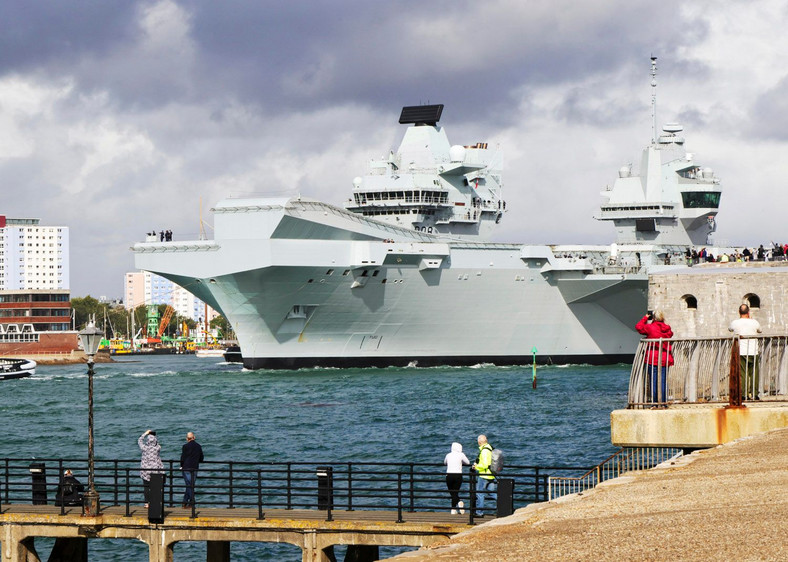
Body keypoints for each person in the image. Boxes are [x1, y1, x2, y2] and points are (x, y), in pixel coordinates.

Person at [635, 310, 674, 404]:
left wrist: (645, 318)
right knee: (663, 381)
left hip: (652, 358)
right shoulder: (667, 328)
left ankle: (656, 402)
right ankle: (664, 402)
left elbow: (638, 327)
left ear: (654, 317)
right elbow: (670, 334)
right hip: (665, 358)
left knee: (654, 381)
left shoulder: (650, 327)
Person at [729, 304, 763, 400]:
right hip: (753, 351)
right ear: (748, 312)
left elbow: (730, 329)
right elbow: (760, 330)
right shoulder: (754, 322)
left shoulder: (735, 323)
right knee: (754, 374)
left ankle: (743, 395)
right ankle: (755, 394)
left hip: (741, 352)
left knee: (742, 374)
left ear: (739, 312)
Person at [471, 435, 496, 517]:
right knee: (491, 493)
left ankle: (479, 513)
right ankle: (506, 504)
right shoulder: (490, 448)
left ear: (479, 442)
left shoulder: (484, 451)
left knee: (480, 493)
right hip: (491, 474)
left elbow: (485, 464)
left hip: (484, 475)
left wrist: (476, 467)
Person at [138, 429, 164, 508]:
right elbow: (158, 444)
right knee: (154, 488)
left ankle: (146, 503)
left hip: (145, 471)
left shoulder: (144, 448)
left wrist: (145, 433)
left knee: (146, 487)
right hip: (155, 470)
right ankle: (154, 502)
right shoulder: (157, 448)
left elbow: (139, 440)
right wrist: (154, 437)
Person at [444, 442, 470, 514]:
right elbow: (468, 462)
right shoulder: (461, 455)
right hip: (458, 475)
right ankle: (457, 504)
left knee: (452, 492)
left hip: (449, 475)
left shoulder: (448, 455)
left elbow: (445, 462)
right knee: (455, 492)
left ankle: (454, 508)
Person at [180, 431, 204, 508]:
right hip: (194, 467)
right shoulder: (198, 446)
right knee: (190, 485)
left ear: (187, 439)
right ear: (194, 437)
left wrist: (181, 466)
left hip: (186, 467)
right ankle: (185, 502)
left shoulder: (185, 446)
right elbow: (201, 458)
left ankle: (192, 501)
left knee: (189, 485)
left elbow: (182, 458)